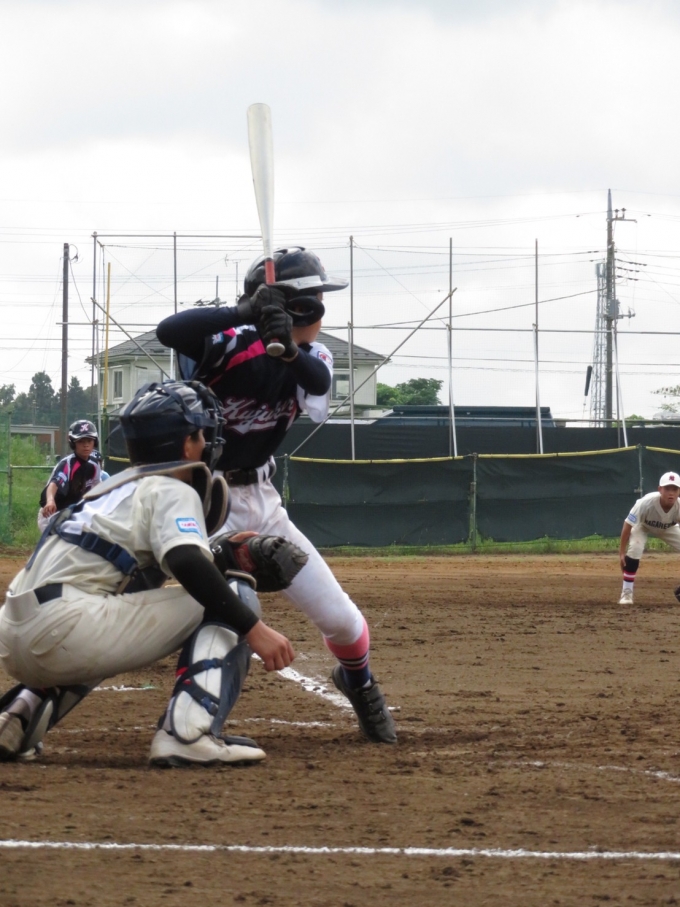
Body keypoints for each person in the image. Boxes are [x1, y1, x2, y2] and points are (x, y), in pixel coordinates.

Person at [156, 246, 397, 744]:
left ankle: (359, 682)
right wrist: (243, 313)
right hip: (201, 501)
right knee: (228, 609)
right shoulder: (227, 342)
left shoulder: (314, 355)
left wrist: (287, 348)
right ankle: (193, 722)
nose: (318, 312)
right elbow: (170, 331)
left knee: (344, 622)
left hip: (262, 502)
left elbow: (319, 382)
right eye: (309, 302)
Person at [0, 380, 296, 766]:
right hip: (64, 628)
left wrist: (218, 555)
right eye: (202, 434)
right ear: (186, 444)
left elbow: (144, 578)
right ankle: (187, 734)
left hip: (15, 635)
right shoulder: (172, 487)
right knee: (235, 595)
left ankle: (17, 716)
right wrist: (254, 628)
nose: (208, 442)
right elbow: (187, 564)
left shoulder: (107, 491)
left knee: (114, 601)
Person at [618, 471, 680, 604]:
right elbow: (628, 524)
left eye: (675, 489)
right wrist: (622, 552)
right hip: (643, 525)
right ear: (660, 489)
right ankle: (626, 593)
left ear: (679, 491)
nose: (671, 493)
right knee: (635, 547)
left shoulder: (679, 506)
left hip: (668, 528)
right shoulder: (645, 503)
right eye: (667, 489)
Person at [38, 420, 103, 532]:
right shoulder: (67, 464)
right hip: (52, 513)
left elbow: (98, 486)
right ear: (73, 443)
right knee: (60, 543)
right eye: (81, 441)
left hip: (72, 513)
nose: (86, 445)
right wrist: (50, 501)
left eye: (89, 440)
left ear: (95, 442)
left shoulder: (94, 464)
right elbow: (54, 484)